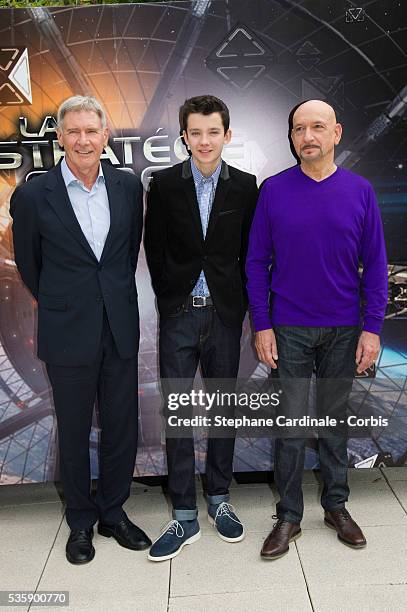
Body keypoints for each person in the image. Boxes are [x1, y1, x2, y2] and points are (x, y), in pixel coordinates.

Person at [10, 95, 151, 564]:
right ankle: (81, 522)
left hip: (119, 327)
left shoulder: (129, 188)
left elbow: (125, 255)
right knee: (72, 431)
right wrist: (68, 300)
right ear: (59, 137)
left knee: (120, 428)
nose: (83, 140)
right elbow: (31, 268)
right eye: (74, 132)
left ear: (105, 136)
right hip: (67, 330)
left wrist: (107, 298)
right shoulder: (33, 194)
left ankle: (113, 513)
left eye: (92, 131)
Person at [246, 99, 388, 559]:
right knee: (289, 427)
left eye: (317, 127)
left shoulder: (361, 191)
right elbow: (255, 263)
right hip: (287, 328)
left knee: (334, 424)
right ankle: (289, 516)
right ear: (291, 138)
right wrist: (262, 325)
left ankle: (336, 507)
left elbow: (378, 267)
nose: (308, 136)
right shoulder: (273, 191)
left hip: (345, 329)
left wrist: (372, 328)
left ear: (337, 133)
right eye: (299, 129)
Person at [144, 95, 258, 561]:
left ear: (226, 135)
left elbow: (251, 254)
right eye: (196, 132)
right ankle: (185, 513)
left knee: (223, 411)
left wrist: (240, 305)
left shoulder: (248, 186)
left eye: (214, 132)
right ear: (184, 137)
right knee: (178, 414)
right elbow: (155, 249)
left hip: (225, 316)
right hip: (179, 315)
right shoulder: (165, 184)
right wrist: (171, 297)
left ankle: (219, 500)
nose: (205, 141)